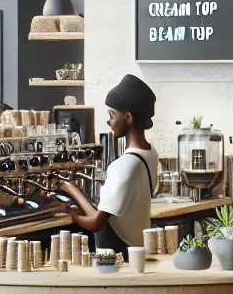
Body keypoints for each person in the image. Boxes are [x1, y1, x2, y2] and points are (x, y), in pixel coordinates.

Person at [63, 75, 160, 252]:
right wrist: (70, 189)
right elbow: (104, 213)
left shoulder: (125, 165)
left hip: (117, 256)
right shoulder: (150, 153)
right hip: (138, 249)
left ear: (128, 117)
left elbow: (96, 223)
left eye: (112, 114)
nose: (109, 121)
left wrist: (71, 214)